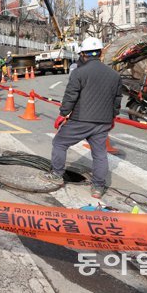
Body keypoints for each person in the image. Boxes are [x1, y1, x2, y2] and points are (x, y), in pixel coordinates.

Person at [42, 37, 122, 199]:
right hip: (103, 121)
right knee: (99, 154)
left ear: (83, 55)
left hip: (81, 119)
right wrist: (112, 117)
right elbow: (117, 99)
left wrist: (63, 114)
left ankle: (57, 175)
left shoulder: (79, 72)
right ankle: (98, 188)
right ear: (100, 53)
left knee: (59, 143)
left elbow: (71, 96)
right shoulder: (114, 75)